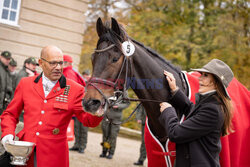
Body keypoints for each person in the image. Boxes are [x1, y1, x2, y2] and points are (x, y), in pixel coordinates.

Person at [0, 45, 103, 167]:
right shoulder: (26, 84)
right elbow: (10, 114)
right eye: (53, 63)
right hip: (25, 153)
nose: (58, 67)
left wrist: (99, 110)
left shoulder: (75, 90)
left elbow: (88, 120)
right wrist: (7, 133)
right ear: (41, 63)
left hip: (54, 156)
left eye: (60, 63)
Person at [159, 59, 234, 167]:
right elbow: (191, 110)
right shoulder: (210, 103)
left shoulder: (212, 110)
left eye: (205, 75)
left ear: (217, 83)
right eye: (201, 74)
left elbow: (175, 133)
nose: (200, 78)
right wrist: (175, 90)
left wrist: (168, 111)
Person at [63, 54, 89, 154]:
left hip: (80, 103)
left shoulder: (69, 73)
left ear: (67, 63)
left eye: (62, 63)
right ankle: (77, 144)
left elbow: (71, 89)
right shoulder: (69, 71)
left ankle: (82, 146)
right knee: (77, 126)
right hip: (78, 102)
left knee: (83, 126)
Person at [99, 95, 130, 159]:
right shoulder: (108, 88)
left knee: (113, 135)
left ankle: (111, 152)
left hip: (116, 118)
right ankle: (104, 151)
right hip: (106, 116)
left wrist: (118, 106)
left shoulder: (123, 91)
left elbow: (127, 103)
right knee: (105, 135)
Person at [0, 51, 13, 115]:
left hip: (3, 103)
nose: (7, 60)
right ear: (1, 57)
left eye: (9, 59)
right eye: (6, 59)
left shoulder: (6, 69)